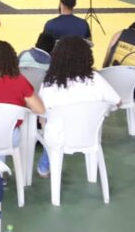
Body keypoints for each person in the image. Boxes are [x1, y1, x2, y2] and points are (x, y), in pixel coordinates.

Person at [35, 36, 120, 178]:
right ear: (87, 56)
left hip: (58, 137)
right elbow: (118, 102)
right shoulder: (96, 79)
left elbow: (41, 112)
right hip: (89, 135)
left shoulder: (50, 83)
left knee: (48, 123)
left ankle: (45, 164)